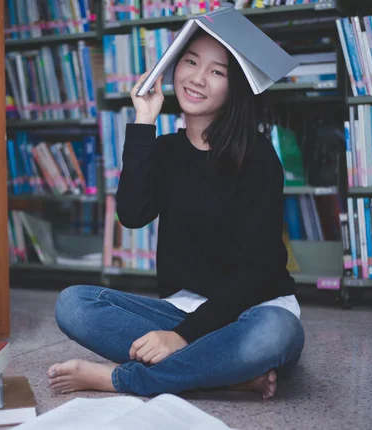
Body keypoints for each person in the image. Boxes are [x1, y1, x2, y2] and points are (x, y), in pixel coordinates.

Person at [47, 30, 305, 400]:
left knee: (277, 333)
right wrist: (143, 121)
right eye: (191, 61)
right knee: (73, 303)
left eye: (218, 72)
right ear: (173, 67)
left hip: (251, 312)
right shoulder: (166, 150)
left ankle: (123, 379)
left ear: (236, 88)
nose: (198, 78)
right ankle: (224, 375)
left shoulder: (258, 158)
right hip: (181, 311)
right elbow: (132, 215)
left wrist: (180, 338)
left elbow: (254, 272)